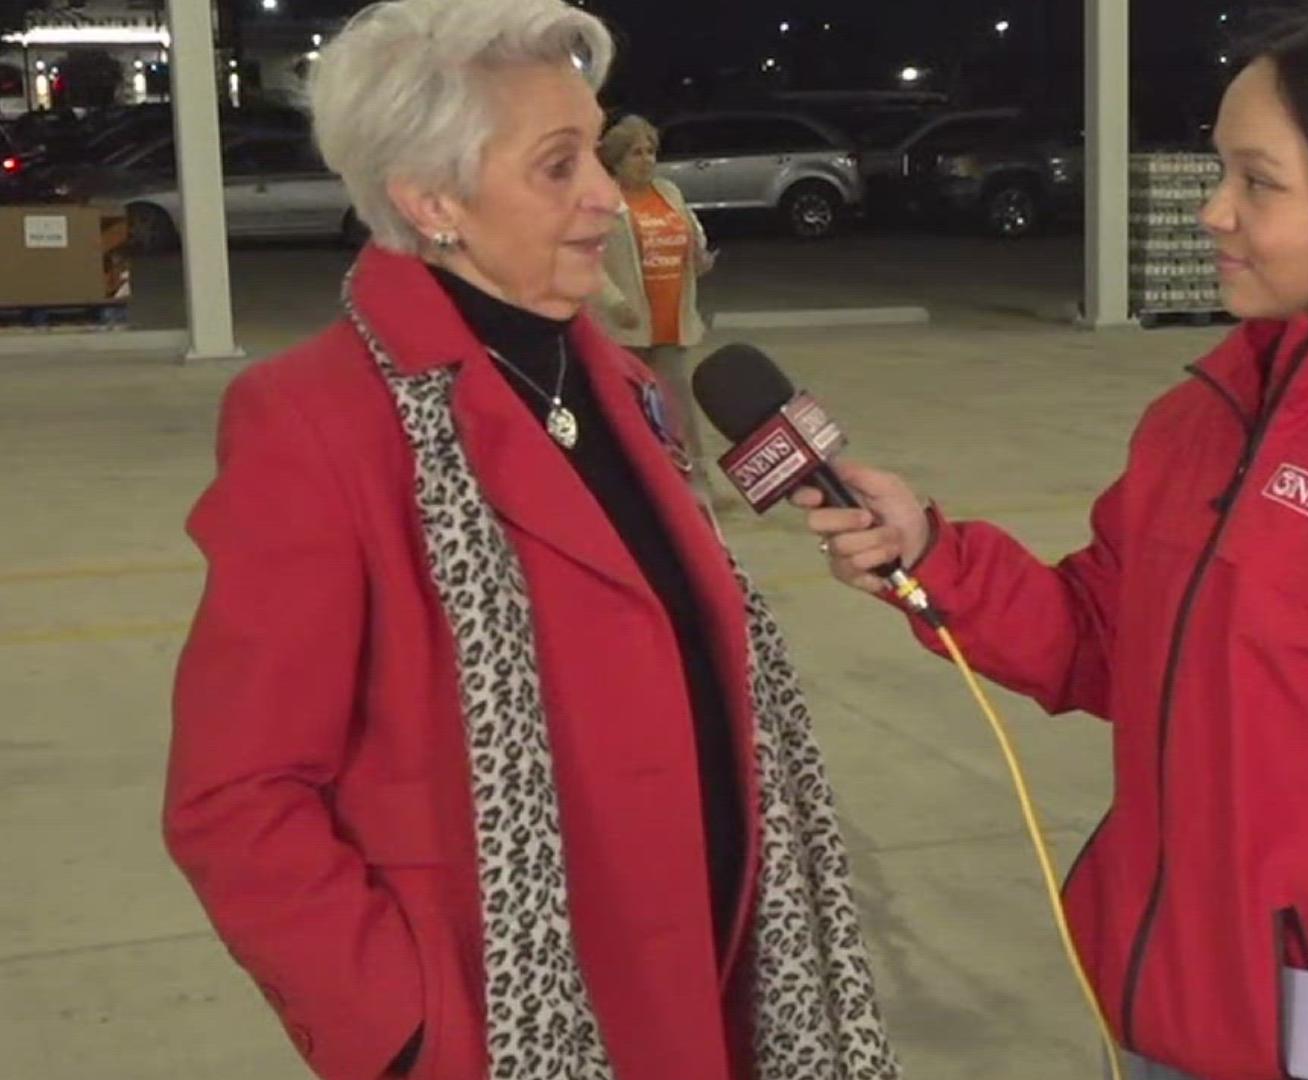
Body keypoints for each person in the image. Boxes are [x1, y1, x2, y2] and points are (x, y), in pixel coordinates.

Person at [798, 3, 1308, 1078]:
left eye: (1258, 182)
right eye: (1219, 172)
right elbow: (1105, 636)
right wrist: (931, 556)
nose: (1214, 212)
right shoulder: (1207, 419)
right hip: (1174, 1015)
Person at [161, 2, 898, 1079]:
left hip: (720, 985)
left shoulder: (625, 388)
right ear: (431, 201)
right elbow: (237, 799)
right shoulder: (319, 420)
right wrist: (407, 1034)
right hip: (515, 1031)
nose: (608, 192)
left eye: (596, 153)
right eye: (560, 168)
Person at [595, 115, 720, 504]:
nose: (646, 160)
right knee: (628, 406)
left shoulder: (669, 191)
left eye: (651, 151)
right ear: (616, 159)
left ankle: (694, 477)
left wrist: (699, 258)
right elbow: (589, 261)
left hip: (671, 317)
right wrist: (615, 303)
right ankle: (633, 479)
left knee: (677, 404)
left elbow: (691, 235)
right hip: (626, 323)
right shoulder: (602, 199)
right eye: (636, 153)